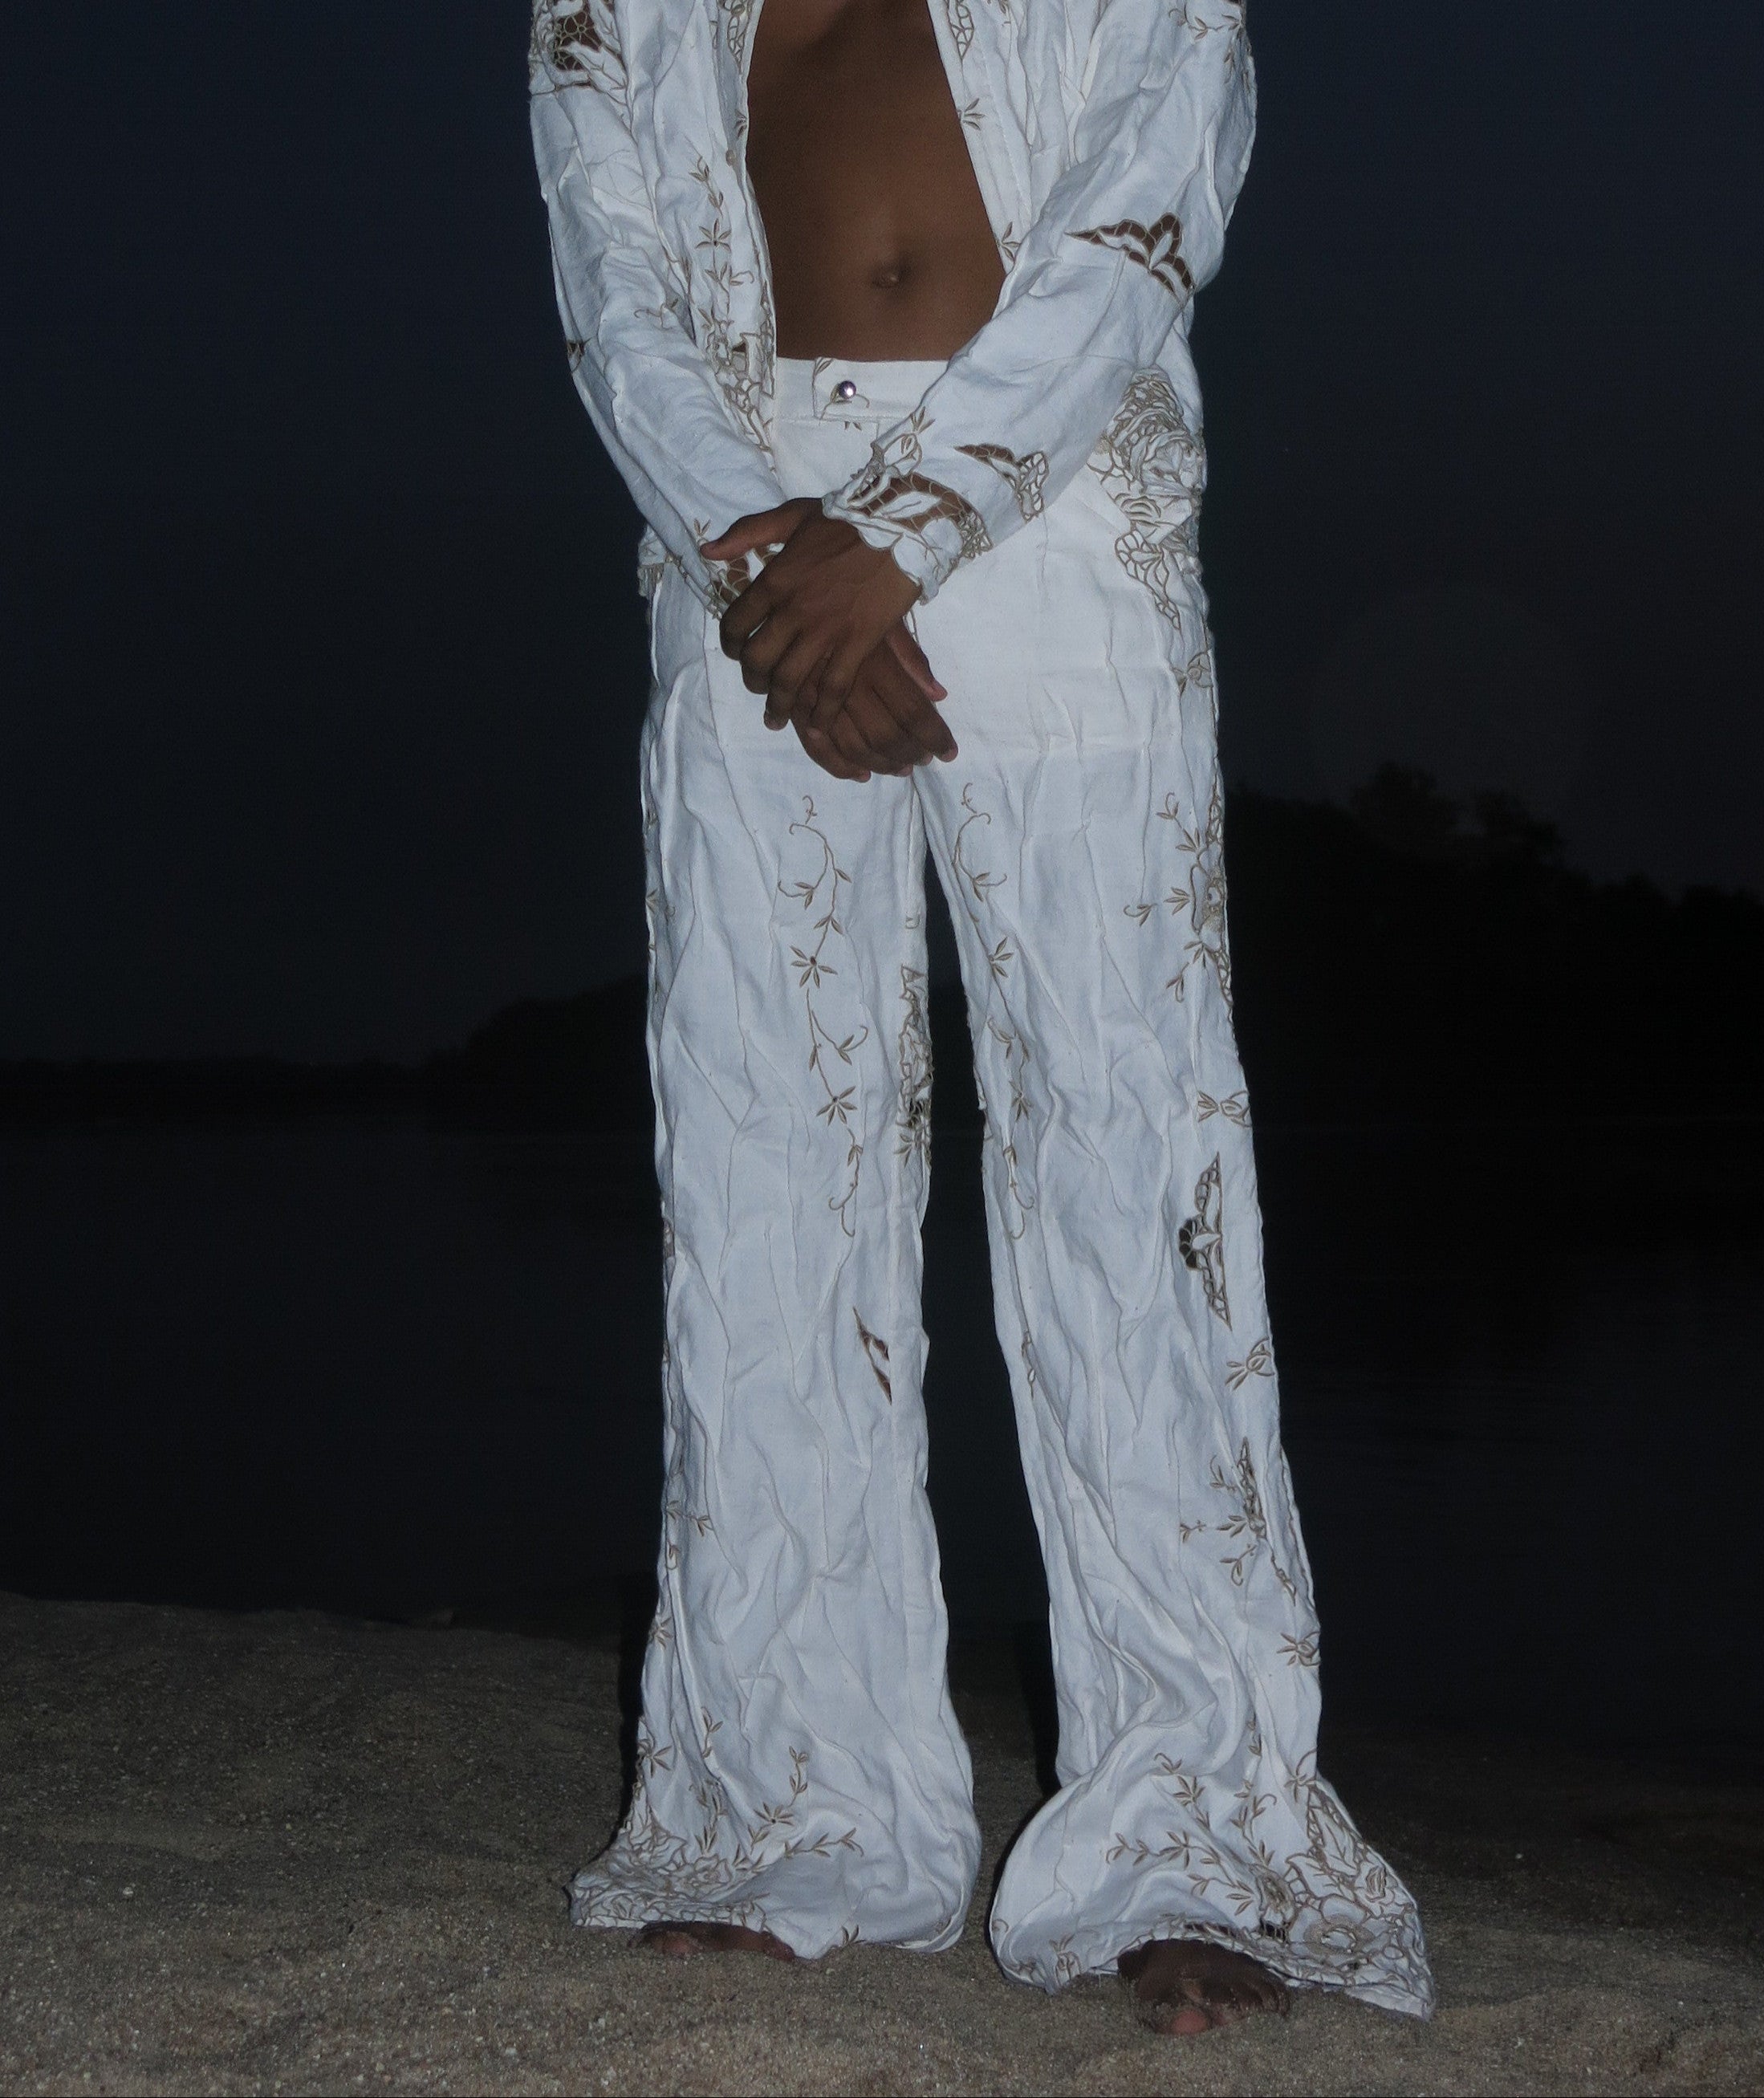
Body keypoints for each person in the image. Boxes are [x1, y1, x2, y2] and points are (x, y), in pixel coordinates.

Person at [529, 0, 1433, 2036]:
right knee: (770, 1179)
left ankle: (1192, 1835)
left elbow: (1144, 203)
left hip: (1046, 534)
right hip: (744, 561)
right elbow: (613, 285)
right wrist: (769, 548)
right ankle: (788, 1809)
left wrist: (904, 535)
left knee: (1132, 1177)